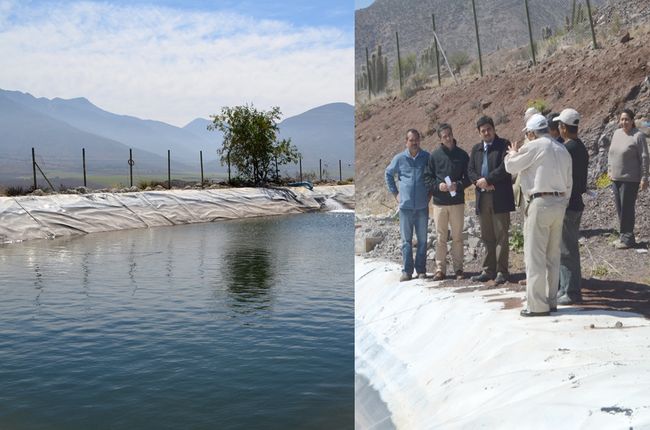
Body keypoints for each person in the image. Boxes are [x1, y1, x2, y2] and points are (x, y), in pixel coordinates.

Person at [505, 114, 572, 317]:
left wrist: (512, 153)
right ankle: (551, 301)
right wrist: (562, 202)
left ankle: (537, 305)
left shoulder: (535, 146)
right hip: (559, 203)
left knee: (535, 257)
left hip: (540, 202)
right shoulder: (562, 149)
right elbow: (569, 183)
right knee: (553, 256)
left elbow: (511, 167)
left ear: (532, 132)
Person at [468, 116, 515, 284]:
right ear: (479, 133)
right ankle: (488, 270)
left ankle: (502, 271)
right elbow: (471, 170)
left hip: (500, 197)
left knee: (502, 234)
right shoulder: (476, 149)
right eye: (483, 131)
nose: (486, 133)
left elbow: (505, 168)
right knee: (487, 235)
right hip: (483, 198)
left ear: (494, 129)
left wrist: (488, 180)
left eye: (489, 129)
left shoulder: (504, 145)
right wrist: (480, 182)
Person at [423, 123, 470, 281]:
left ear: (452, 134)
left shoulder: (462, 155)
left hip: (457, 202)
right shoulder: (434, 156)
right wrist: (438, 186)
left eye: (449, 134)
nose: (448, 138)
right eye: (444, 136)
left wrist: (459, 185)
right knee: (440, 237)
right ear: (440, 139)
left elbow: (469, 177)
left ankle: (458, 269)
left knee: (457, 236)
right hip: (439, 203)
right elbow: (427, 178)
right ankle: (440, 269)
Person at [553, 109, 589, 305]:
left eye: (559, 126)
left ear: (564, 128)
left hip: (567, 204)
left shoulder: (567, 149)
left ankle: (571, 291)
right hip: (575, 202)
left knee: (567, 249)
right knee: (567, 247)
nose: (558, 129)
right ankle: (565, 287)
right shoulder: (580, 147)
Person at [385, 129, 431, 281]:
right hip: (405, 207)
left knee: (423, 240)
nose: (414, 143)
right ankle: (407, 271)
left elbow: (433, 176)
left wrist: (430, 193)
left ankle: (421, 270)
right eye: (411, 140)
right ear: (406, 141)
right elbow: (388, 174)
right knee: (406, 241)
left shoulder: (426, 157)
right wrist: (396, 194)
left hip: (422, 207)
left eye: (417, 140)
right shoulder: (399, 158)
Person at [607, 109, 649, 249]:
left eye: (626, 119)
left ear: (632, 121)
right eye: (622, 119)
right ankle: (623, 236)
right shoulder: (616, 133)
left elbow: (644, 158)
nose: (624, 122)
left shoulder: (638, 136)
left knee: (627, 209)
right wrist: (609, 170)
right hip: (616, 178)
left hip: (630, 179)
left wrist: (644, 177)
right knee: (620, 209)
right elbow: (611, 153)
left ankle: (628, 239)